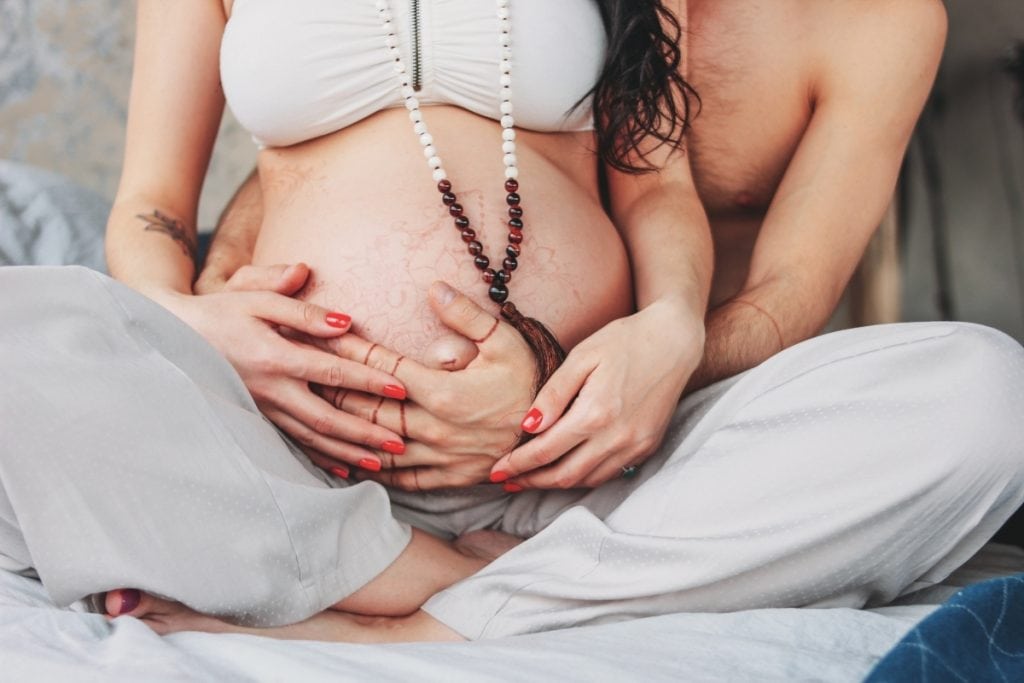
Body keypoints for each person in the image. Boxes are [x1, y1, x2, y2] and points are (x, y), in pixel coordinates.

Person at [0, 0, 1022, 645]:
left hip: (571, 459)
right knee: (19, 325)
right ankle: (406, 573)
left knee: (985, 393)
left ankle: (421, 608)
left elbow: (653, 186)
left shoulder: (846, 23)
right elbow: (153, 206)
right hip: (294, 440)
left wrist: (651, 335)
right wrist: (197, 318)